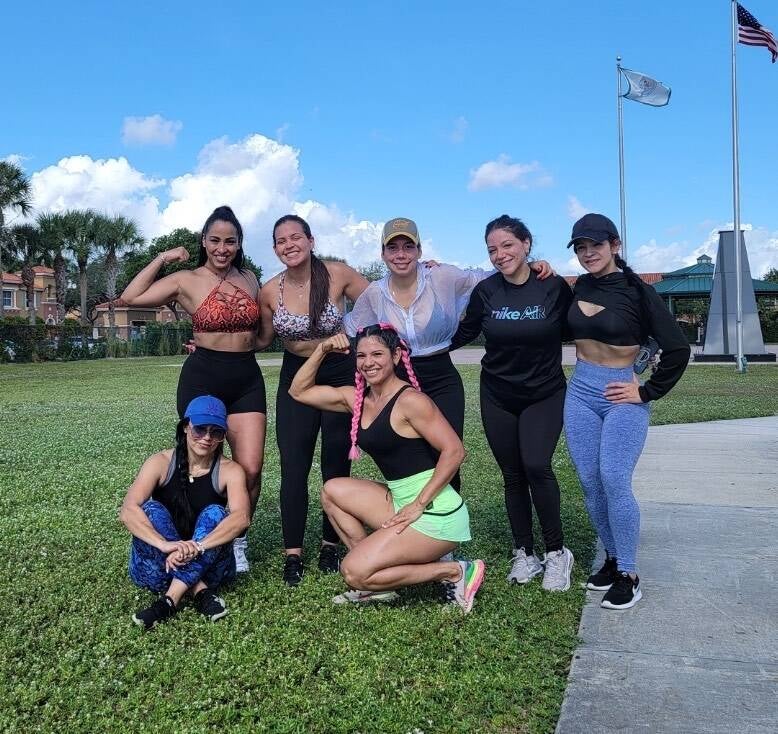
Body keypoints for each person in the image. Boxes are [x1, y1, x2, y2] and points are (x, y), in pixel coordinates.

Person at [343, 217, 554, 493]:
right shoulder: (375, 293)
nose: (401, 254)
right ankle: (415, 511)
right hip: (398, 381)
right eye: (392, 248)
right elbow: (351, 329)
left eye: (408, 246)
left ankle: (449, 514)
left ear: (419, 250)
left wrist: (531, 264)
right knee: (411, 455)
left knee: (447, 452)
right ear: (383, 254)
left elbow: (488, 276)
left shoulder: (442, 277)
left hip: (441, 377)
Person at [288, 325, 485, 613]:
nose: (368, 362)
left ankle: (454, 571)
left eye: (377, 354)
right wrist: (322, 349)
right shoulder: (358, 400)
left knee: (352, 572)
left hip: (436, 513)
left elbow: (455, 451)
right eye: (361, 356)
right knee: (332, 490)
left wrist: (419, 504)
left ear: (396, 356)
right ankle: (376, 583)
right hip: (399, 498)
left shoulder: (411, 401)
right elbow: (298, 391)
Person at [121, 206, 264, 573]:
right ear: (203, 241)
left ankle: (236, 540)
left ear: (239, 244)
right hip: (203, 377)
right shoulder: (186, 279)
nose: (222, 248)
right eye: (214, 240)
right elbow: (132, 297)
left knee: (250, 468)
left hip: (246, 377)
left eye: (230, 241)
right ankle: (194, 531)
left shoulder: (250, 278)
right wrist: (163, 257)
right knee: (201, 459)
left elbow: (262, 332)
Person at [564, 213, 690, 609]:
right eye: (581, 247)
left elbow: (678, 348)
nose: (588, 253)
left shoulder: (639, 291)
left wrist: (647, 391)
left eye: (596, 245)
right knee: (589, 481)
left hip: (622, 393)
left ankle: (629, 575)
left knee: (614, 478)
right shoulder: (580, 286)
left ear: (615, 245)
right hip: (580, 391)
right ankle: (612, 558)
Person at [450, 215, 575, 592]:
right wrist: (413, 348)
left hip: (544, 393)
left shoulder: (552, 286)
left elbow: (579, 326)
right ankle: (525, 553)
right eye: (492, 249)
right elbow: (462, 333)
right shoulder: (486, 291)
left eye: (507, 245)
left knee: (537, 465)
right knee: (513, 474)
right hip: (498, 395)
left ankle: (557, 553)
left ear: (526, 244)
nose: (500, 254)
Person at [257, 214, 369, 585]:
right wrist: (212, 343)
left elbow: (382, 300)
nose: (289, 245)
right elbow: (261, 339)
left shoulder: (338, 274)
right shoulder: (269, 290)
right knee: (294, 466)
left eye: (295, 237)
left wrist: (422, 273)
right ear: (275, 248)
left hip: (340, 370)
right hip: (297, 377)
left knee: (336, 463)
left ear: (310, 240)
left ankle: (329, 544)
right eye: (281, 240)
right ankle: (293, 554)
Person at [120, 396, 250, 629]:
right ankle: (200, 590)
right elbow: (128, 510)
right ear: (185, 427)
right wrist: (165, 545)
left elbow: (241, 518)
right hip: (159, 567)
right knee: (151, 510)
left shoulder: (230, 470)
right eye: (200, 429)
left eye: (216, 432)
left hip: (210, 567)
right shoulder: (159, 462)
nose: (207, 437)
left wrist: (198, 547)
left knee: (216, 513)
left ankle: (169, 601)